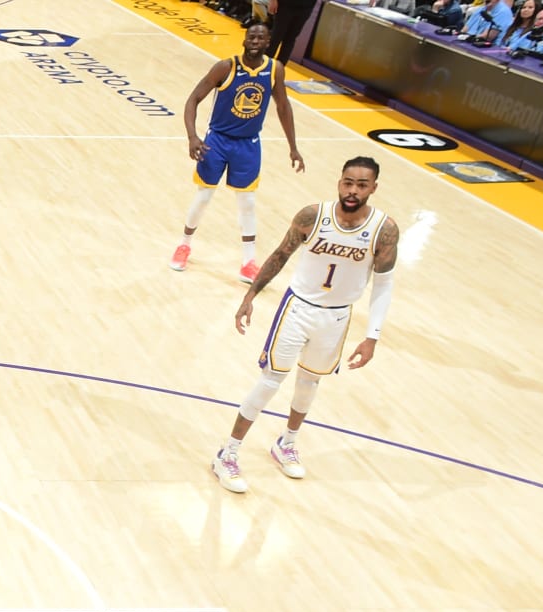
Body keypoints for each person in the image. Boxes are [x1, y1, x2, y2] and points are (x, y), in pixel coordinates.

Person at [212, 156, 400, 493]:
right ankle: (228, 452)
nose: (353, 190)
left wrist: (372, 336)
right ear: (339, 182)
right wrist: (250, 296)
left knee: (309, 383)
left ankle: (286, 443)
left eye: (361, 184)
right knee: (271, 381)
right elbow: (280, 254)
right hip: (298, 308)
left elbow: (383, 285)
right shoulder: (313, 216)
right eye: (348, 182)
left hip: (339, 316)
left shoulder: (384, 230)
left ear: (374, 187)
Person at [171, 21, 304, 284]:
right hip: (217, 141)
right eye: (251, 37)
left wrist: (293, 147)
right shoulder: (225, 67)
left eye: (261, 38)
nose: (255, 41)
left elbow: (283, 108)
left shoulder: (274, 69)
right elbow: (193, 99)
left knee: (248, 202)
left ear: (268, 43)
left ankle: (248, 262)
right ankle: (184, 245)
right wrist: (192, 136)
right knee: (205, 195)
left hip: (248, 143)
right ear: (244, 40)